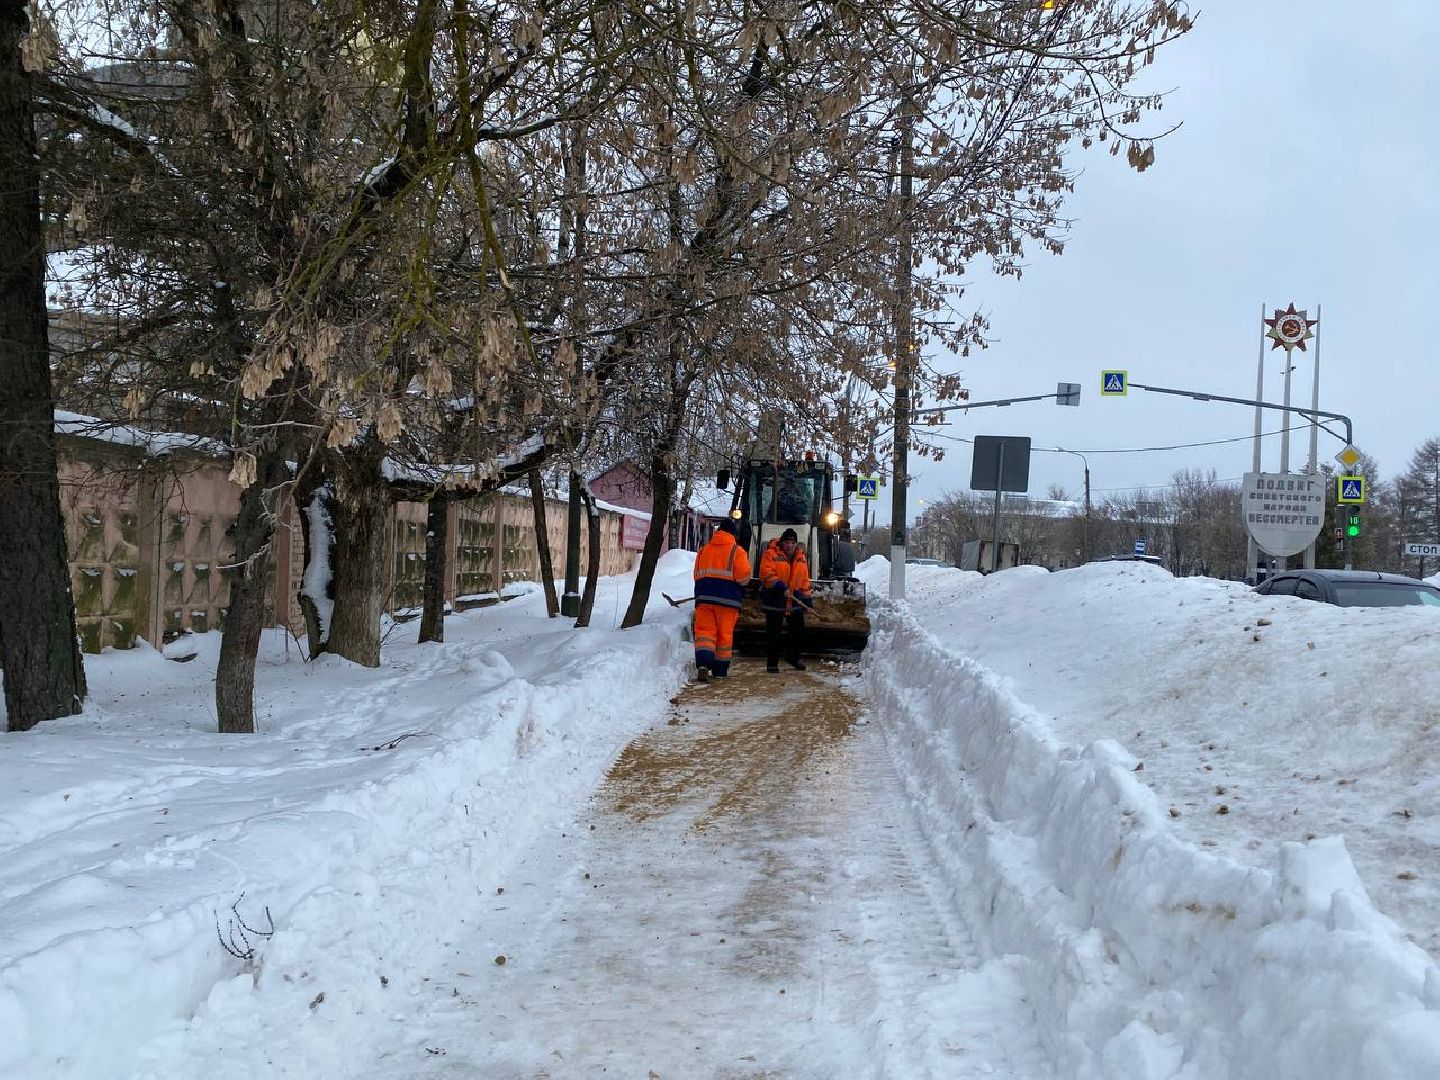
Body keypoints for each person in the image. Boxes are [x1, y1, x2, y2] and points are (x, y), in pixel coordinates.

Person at [691, 518, 751, 682]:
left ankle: (703, 664)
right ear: (733, 533)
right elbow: (744, 577)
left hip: (704, 598)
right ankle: (719, 670)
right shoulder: (737, 552)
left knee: (704, 633)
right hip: (728, 601)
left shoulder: (704, 550)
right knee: (724, 636)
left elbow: (696, 575)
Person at [759, 526, 812, 673]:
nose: (789, 545)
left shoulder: (801, 558)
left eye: (792, 542)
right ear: (782, 542)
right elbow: (766, 574)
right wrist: (780, 586)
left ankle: (794, 657)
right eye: (787, 542)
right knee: (774, 634)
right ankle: (772, 664)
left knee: (798, 632)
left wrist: (807, 600)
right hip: (774, 601)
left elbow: (805, 580)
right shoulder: (770, 554)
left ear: (796, 544)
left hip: (794, 601)